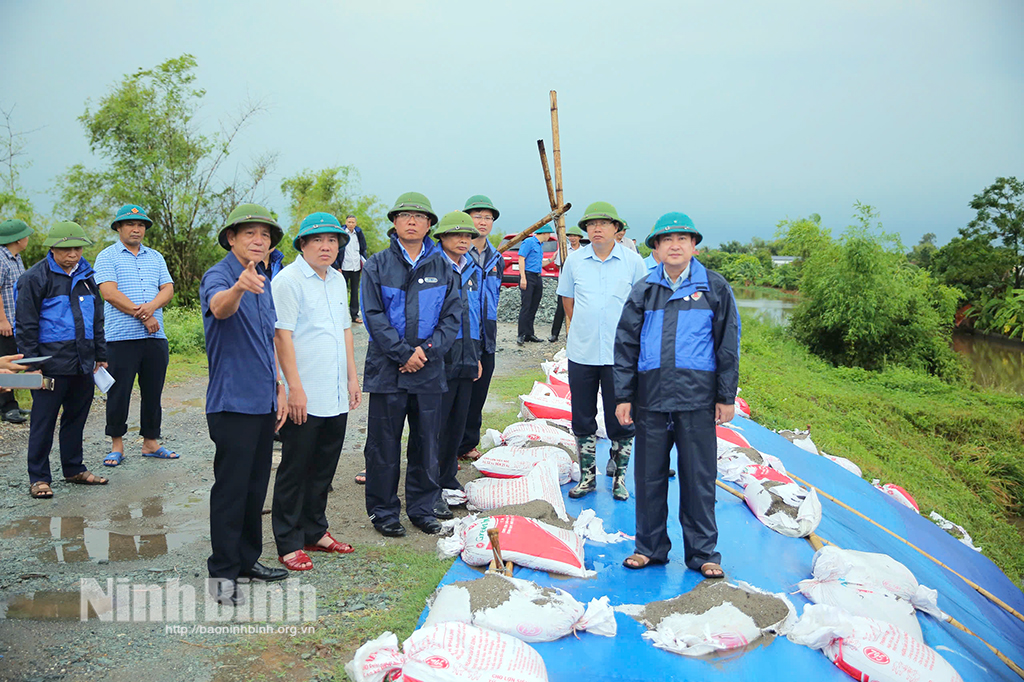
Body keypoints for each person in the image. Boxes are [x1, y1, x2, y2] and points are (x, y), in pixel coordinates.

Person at [613, 212, 740, 578]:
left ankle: (702, 554)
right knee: (649, 478)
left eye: (682, 239)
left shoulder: (714, 288)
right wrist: (624, 396)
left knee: (698, 479)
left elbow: (727, 344)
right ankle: (649, 549)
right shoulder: (644, 290)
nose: (674, 245)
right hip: (651, 401)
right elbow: (625, 345)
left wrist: (725, 396)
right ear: (655, 249)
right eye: (666, 240)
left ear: (694, 245)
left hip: (697, 401)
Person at [200, 203, 289, 605]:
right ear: (232, 238)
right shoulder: (219, 276)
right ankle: (221, 573)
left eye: (266, 235)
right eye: (250, 234)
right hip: (231, 403)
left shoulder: (266, 280)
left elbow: (267, 339)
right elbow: (221, 307)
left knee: (256, 487)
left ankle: (247, 560)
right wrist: (238, 286)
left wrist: (280, 387)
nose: (259, 240)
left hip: (262, 400)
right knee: (232, 490)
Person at [360, 192, 460, 537]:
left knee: (426, 443)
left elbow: (452, 319)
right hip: (388, 370)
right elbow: (373, 316)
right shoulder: (376, 265)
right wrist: (403, 353)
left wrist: (426, 352)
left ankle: (422, 508)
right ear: (395, 222)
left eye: (419, 216)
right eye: (405, 215)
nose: (412, 221)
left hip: (428, 371)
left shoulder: (444, 267)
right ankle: (384, 512)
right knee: (383, 446)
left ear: (430, 224)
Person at [271, 213, 360, 571]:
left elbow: (345, 331)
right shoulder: (288, 280)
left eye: (333, 241)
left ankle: (315, 530)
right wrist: (293, 388)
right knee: (296, 468)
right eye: (318, 241)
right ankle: (289, 541)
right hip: (303, 391)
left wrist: (353, 379)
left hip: (335, 390)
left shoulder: (338, 279)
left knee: (324, 467)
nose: (327, 247)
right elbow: (282, 335)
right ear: (303, 245)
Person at [556, 202, 646, 501]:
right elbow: (568, 301)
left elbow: (643, 304)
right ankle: (587, 478)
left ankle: (619, 479)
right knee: (582, 416)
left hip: (621, 356)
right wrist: (584, 324)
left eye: (603, 224)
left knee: (621, 415)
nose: (596, 229)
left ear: (616, 229)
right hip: (582, 351)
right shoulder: (575, 261)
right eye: (591, 224)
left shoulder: (633, 262)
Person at [16, 222, 108, 499]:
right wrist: (32, 364)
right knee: (43, 421)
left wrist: (100, 355)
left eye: (78, 248)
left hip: (83, 362)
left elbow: (97, 318)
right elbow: (26, 324)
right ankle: (39, 477)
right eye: (67, 249)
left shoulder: (87, 277)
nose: (73, 254)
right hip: (49, 363)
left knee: (76, 418)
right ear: (53, 248)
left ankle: (73, 468)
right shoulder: (35, 278)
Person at [93, 205, 176, 467]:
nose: (136, 229)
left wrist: (151, 308)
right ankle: (117, 445)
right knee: (119, 392)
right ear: (118, 227)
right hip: (120, 338)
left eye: (140, 225)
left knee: (153, 391)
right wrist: (144, 315)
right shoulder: (107, 257)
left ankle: (150, 442)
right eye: (130, 224)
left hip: (155, 338)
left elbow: (168, 289)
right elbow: (109, 293)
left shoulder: (156, 257)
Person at [432, 211, 482, 515]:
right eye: (456, 235)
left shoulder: (472, 268)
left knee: (457, 421)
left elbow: (472, 315)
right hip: (441, 356)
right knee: (435, 423)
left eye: (468, 236)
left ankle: (448, 476)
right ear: (442, 238)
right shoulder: (434, 266)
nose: (463, 240)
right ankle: (430, 483)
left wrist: (475, 355)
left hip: (466, 355)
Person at [458, 195, 503, 462]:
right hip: (463, 336)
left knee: (479, 394)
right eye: (478, 216)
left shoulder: (496, 258)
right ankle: (449, 447)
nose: (483, 222)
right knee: (459, 395)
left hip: (488, 335)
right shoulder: (458, 254)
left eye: (487, 217)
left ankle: (468, 444)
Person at [0, 218, 33, 424]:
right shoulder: (1, 259)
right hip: (4, 323)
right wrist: (2, 320)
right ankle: (7, 408)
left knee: (12, 362)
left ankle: (11, 404)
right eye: (26, 235)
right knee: (6, 361)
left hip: (15, 321)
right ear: (18, 239)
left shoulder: (15, 257)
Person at [516, 224, 554, 345]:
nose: (549, 236)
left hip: (537, 276)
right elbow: (521, 259)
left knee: (534, 306)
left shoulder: (540, 245)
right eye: (549, 234)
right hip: (528, 276)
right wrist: (523, 277)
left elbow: (539, 264)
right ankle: (521, 334)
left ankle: (529, 334)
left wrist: (551, 259)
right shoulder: (529, 242)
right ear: (544, 233)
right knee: (526, 306)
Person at [549, 224, 586, 342]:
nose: (572, 238)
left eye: (575, 236)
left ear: (579, 237)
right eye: (570, 236)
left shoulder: (584, 251)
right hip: (565, 284)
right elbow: (558, 264)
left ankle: (575, 333)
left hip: (579, 285)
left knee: (578, 309)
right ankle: (554, 334)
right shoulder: (563, 249)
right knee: (561, 308)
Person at [333, 214, 368, 323]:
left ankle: (354, 315)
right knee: (341, 291)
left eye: (353, 222)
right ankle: (340, 315)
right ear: (346, 223)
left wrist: (364, 263)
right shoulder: (341, 234)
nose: (351, 224)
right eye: (349, 222)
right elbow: (336, 250)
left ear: (355, 223)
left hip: (355, 266)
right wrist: (337, 266)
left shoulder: (358, 233)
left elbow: (363, 249)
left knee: (354, 291)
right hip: (343, 267)